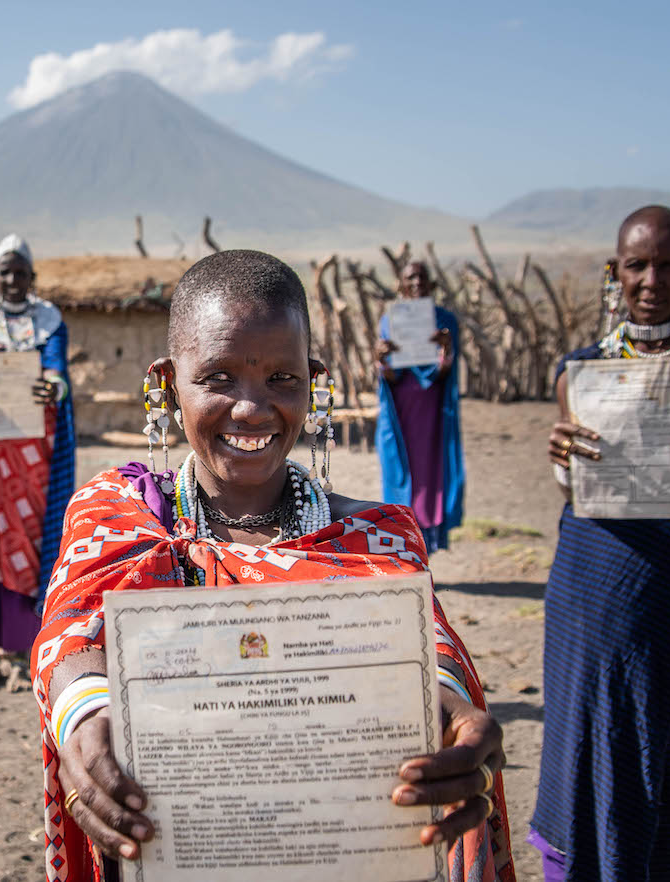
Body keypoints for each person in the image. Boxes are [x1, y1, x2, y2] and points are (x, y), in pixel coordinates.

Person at [32, 250, 515, 882]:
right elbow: (71, 634)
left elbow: (427, 646)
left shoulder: (376, 534)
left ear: (314, 381)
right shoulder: (117, 516)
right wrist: (85, 716)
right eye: (218, 378)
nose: (252, 408)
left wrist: (450, 714)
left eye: (281, 379)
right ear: (167, 382)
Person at [533, 206, 670, 882]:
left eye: (665, 264)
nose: (650, 278)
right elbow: (572, 490)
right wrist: (560, 456)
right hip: (589, 582)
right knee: (580, 730)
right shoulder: (580, 370)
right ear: (615, 273)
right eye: (636, 264)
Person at [0, 234, 76, 693]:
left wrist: (54, 386)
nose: (12, 280)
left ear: (32, 277)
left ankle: (24, 656)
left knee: (29, 544)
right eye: (5, 272)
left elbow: (56, 367)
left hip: (33, 457)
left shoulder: (50, 321)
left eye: (20, 272)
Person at [374, 260, 465, 553]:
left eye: (422, 277)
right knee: (400, 473)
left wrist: (445, 351)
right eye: (410, 278)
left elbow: (445, 374)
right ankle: (404, 541)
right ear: (401, 285)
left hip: (433, 414)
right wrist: (382, 359)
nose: (416, 284)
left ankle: (428, 546)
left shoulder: (445, 321)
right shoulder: (390, 321)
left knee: (432, 476)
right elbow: (388, 374)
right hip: (400, 415)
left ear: (431, 283)